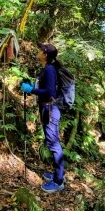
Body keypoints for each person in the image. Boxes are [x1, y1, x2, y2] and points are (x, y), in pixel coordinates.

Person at [20, 42, 65, 193]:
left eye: (41, 50)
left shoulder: (50, 69)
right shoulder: (47, 68)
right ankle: (57, 174)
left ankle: (59, 181)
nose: (38, 51)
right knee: (52, 142)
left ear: (45, 55)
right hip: (48, 109)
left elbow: (50, 92)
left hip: (50, 110)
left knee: (53, 144)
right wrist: (32, 88)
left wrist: (32, 90)